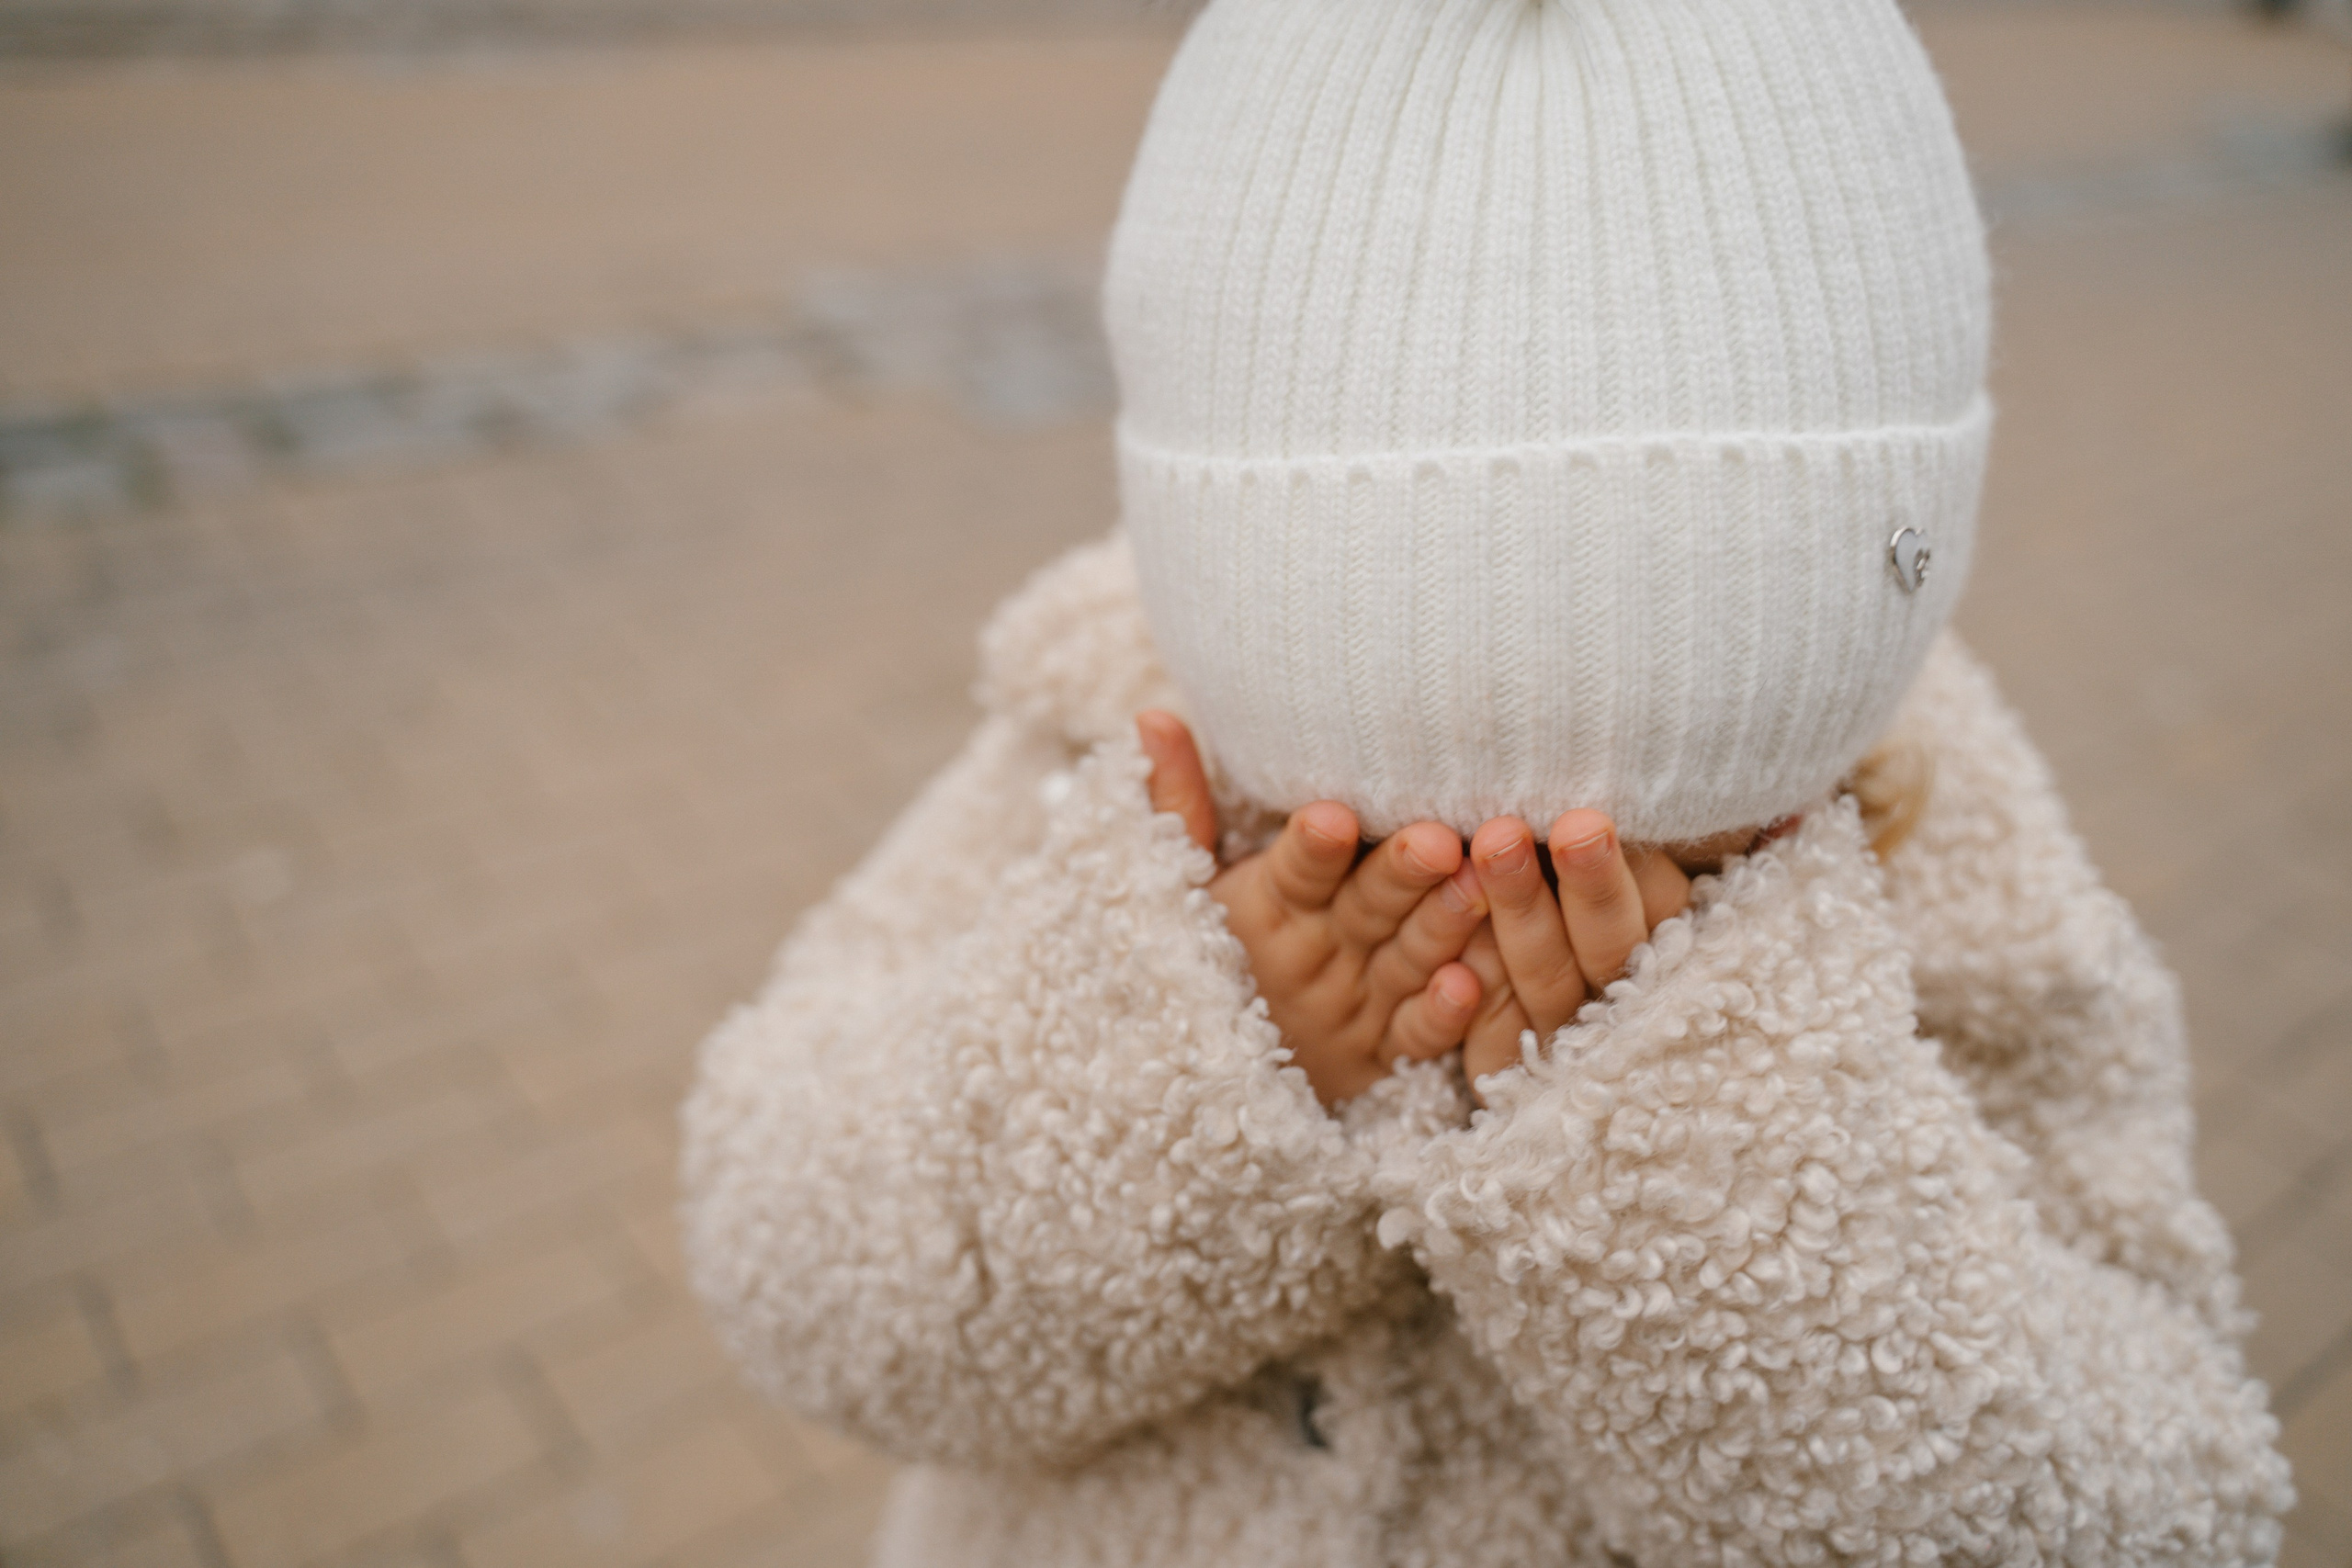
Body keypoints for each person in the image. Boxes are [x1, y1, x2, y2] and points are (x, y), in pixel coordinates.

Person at [678, 0, 2295, 1561]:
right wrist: (1181, 1063)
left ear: (1833, 688)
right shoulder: (1098, 750)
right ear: (1227, 614)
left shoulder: (1950, 854)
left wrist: (1703, 1165)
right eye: (1391, 821)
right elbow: (785, 1248)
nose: (1488, 893)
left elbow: (2165, 1494)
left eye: (1673, 830)